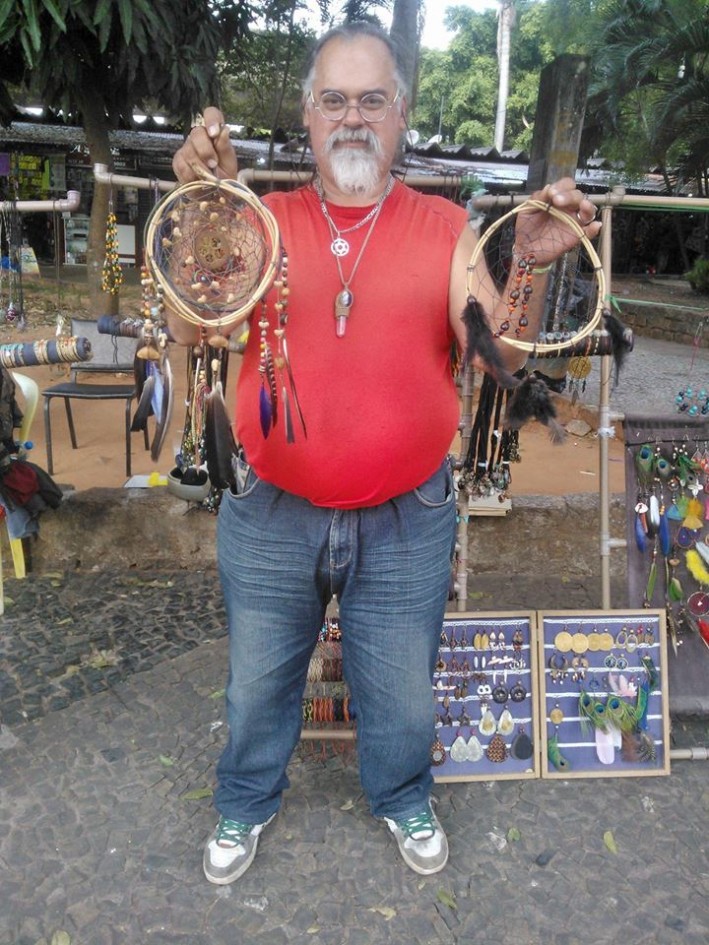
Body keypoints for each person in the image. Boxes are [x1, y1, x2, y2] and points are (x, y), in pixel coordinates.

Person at [171, 21, 601, 884]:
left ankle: (403, 791)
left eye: (372, 100)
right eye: (334, 100)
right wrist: (203, 215)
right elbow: (192, 325)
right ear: (307, 116)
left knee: (401, 689)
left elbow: (500, 356)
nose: (353, 118)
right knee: (257, 681)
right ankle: (245, 798)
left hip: (407, 516)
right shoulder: (262, 219)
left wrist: (526, 265)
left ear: (401, 115)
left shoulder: (443, 227)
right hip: (270, 511)